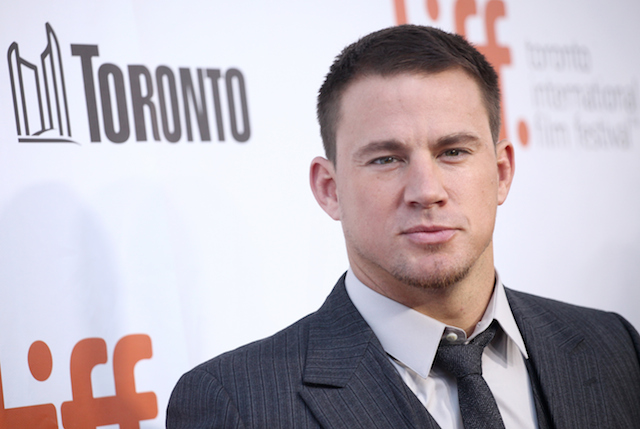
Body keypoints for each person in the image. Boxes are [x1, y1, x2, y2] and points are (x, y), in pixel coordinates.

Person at [166, 25, 640, 429]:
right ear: (329, 189)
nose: (426, 190)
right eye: (387, 158)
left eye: (453, 151)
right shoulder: (237, 403)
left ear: (501, 172)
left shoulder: (615, 345)